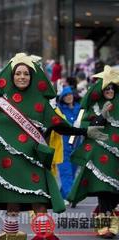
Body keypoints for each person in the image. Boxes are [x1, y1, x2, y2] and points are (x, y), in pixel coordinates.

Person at [0, 53, 107, 240]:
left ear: (32, 77)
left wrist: (85, 132)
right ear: (11, 77)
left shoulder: (42, 104)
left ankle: (44, 236)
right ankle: (11, 236)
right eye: (18, 73)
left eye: (26, 74)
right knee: (12, 204)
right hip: (10, 164)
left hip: (33, 161)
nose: (22, 77)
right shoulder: (1, 103)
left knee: (39, 203)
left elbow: (61, 127)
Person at [67, 65, 119, 238]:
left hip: (117, 154)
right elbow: (84, 126)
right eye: (107, 88)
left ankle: (106, 216)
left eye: (112, 88)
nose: (110, 91)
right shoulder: (94, 106)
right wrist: (102, 115)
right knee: (103, 188)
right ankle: (105, 225)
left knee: (115, 191)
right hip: (99, 153)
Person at [56, 87, 81, 202]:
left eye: (70, 94)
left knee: (72, 171)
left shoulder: (79, 109)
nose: (68, 97)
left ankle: (63, 195)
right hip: (62, 146)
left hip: (76, 146)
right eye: (66, 95)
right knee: (66, 172)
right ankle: (70, 196)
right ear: (62, 98)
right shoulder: (60, 109)